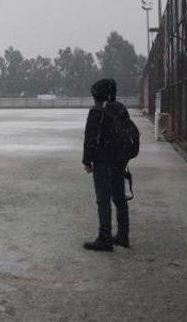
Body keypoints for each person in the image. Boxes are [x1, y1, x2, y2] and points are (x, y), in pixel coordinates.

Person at [82, 78, 130, 252]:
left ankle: (105, 237)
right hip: (119, 161)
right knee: (119, 198)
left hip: (103, 162)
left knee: (103, 199)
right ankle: (123, 235)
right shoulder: (121, 109)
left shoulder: (97, 112)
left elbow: (90, 139)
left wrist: (87, 161)